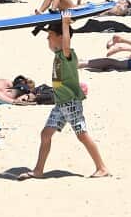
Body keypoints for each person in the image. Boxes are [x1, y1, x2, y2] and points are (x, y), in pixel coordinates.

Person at [17, 10, 109, 180]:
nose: (47, 39)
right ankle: (38, 170)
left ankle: (102, 167)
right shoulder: (59, 55)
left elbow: (66, 44)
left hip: (71, 103)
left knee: (82, 134)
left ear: (60, 37)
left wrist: (65, 24)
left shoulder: (68, 55)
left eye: (50, 35)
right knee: (45, 134)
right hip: (60, 104)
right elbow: (57, 36)